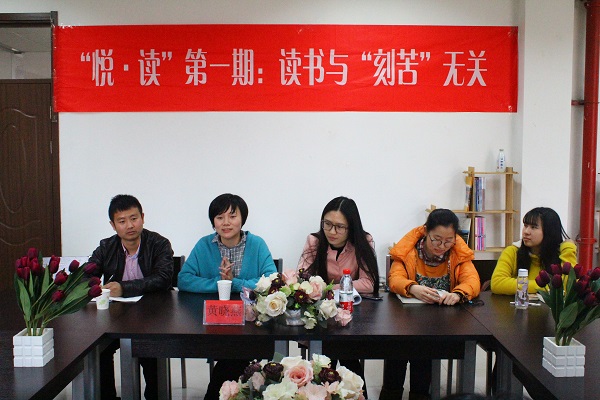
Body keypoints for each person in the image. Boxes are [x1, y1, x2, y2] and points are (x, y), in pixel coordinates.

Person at [177, 193, 277, 400]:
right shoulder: (204, 245)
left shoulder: (256, 244)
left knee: (235, 352)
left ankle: (217, 394)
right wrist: (219, 282)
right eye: (219, 217)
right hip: (215, 321)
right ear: (213, 221)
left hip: (251, 322)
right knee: (230, 352)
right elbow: (184, 279)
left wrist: (235, 283)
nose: (226, 223)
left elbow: (272, 280)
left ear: (242, 219)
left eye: (232, 216)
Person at [384, 209, 480, 400]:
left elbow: (472, 280)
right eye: (436, 239)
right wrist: (412, 287)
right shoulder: (408, 251)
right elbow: (395, 278)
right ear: (426, 232)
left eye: (448, 241)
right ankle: (391, 394)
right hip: (405, 323)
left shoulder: (457, 254)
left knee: (424, 354)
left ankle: (420, 394)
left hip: (440, 326)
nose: (441, 246)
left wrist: (458, 293)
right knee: (397, 352)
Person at [89, 194, 174, 400]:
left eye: (134, 218)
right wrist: (93, 286)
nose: (129, 225)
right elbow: (87, 274)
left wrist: (123, 288)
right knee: (99, 349)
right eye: (122, 221)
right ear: (113, 225)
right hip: (115, 316)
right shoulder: (106, 247)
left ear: (142, 217)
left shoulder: (159, 244)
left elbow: (163, 278)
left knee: (149, 351)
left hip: (153, 315)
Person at [297, 196, 379, 395]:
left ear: (351, 227)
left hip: (353, 316)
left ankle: (355, 394)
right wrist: (339, 287)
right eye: (327, 224)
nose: (332, 232)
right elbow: (302, 279)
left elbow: (369, 283)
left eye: (340, 227)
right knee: (325, 361)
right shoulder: (314, 241)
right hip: (321, 316)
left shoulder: (363, 241)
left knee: (348, 359)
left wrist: (328, 288)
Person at [491, 207, 577, 295]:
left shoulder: (562, 254)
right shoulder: (513, 251)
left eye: (533, 227)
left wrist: (569, 249)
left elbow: (569, 286)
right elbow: (497, 283)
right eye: (525, 226)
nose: (526, 232)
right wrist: (547, 286)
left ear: (549, 231)